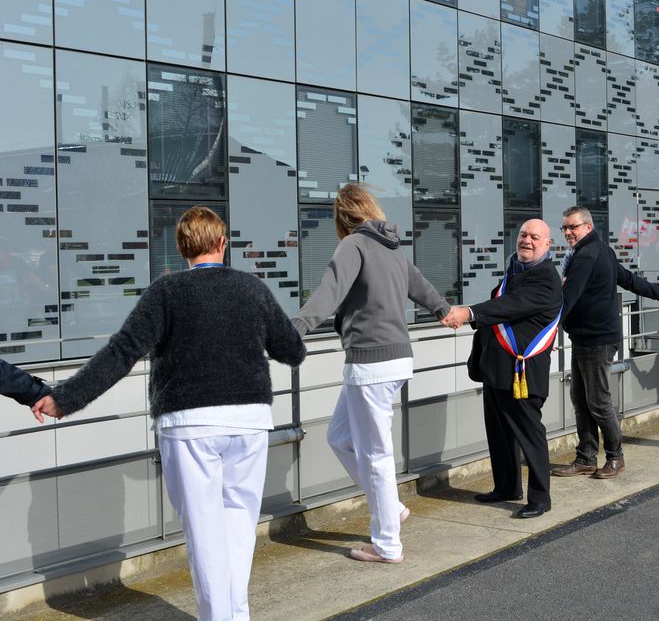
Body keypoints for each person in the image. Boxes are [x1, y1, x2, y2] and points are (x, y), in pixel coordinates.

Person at [32, 206, 307, 621]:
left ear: (181, 248)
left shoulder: (165, 293)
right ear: (222, 243)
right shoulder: (252, 289)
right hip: (248, 421)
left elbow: (121, 352)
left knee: (205, 534)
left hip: (188, 423)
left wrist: (65, 398)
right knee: (238, 527)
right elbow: (293, 350)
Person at [292, 184, 450, 564]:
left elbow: (327, 294)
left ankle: (387, 545)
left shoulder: (354, 246)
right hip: (391, 359)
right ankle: (391, 507)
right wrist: (444, 309)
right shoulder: (391, 247)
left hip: (371, 363)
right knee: (339, 437)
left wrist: (292, 329)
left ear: (342, 217)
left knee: (375, 455)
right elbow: (420, 286)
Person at [443, 220, 562, 519]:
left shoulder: (546, 278)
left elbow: (509, 306)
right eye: (523, 235)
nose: (527, 240)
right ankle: (507, 487)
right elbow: (500, 305)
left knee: (528, 434)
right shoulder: (516, 270)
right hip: (497, 369)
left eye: (535, 237)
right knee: (498, 432)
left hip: (522, 371)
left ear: (547, 245)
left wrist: (468, 313)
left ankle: (540, 497)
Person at [552, 206, 659, 480]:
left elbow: (567, 298)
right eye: (564, 228)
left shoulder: (587, 255)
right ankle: (586, 458)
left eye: (572, 227)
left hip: (596, 339)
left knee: (597, 401)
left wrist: (546, 333)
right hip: (587, 336)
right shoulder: (600, 251)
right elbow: (629, 280)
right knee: (581, 399)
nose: (567, 233)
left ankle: (615, 456)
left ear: (587, 226)